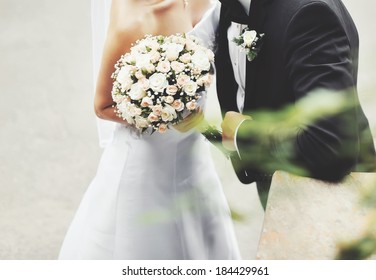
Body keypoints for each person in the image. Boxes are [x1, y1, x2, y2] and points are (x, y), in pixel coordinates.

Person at [58, 0, 241, 260]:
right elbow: (103, 105)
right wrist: (163, 114)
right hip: (147, 164)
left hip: (193, 155)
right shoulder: (131, 21)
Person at [191, 0, 376, 208]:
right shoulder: (228, 10)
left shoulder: (309, 13)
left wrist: (244, 134)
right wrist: (200, 124)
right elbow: (240, 113)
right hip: (278, 200)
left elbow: (329, 147)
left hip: (338, 208)